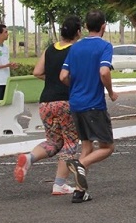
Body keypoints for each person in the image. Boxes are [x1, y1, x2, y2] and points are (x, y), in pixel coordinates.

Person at [13, 16, 83, 195]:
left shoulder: (50, 49)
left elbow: (37, 71)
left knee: (54, 141)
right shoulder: (76, 50)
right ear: (78, 32)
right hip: (66, 101)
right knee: (71, 142)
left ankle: (29, 157)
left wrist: (51, 78)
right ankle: (59, 183)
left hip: (46, 102)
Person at [60, 10, 119, 203]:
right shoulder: (104, 46)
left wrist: (76, 87)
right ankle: (80, 163)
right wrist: (110, 91)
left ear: (86, 26)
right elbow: (104, 72)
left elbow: (63, 76)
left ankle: (79, 191)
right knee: (107, 146)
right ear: (103, 26)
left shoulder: (74, 48)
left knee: (87, 144)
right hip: (94, 104)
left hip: (76, 103)